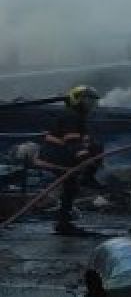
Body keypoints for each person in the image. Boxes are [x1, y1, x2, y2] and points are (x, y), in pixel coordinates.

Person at [34, 85, 101, 235]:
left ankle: (64, 223)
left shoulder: (75, 115)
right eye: (88, 100)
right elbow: (72, 141)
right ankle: (64, 224)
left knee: (71, 187)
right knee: (70, 187)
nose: (91, 104)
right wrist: (85, 159)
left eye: (92, 101)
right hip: (55, 157)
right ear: (77, 99)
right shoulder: (71, 116)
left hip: (60, 156)